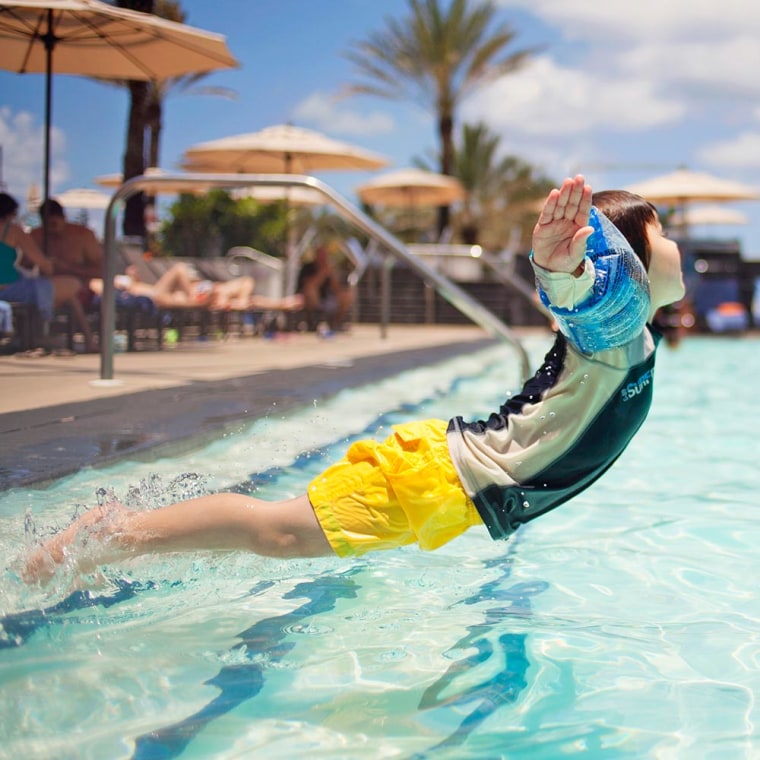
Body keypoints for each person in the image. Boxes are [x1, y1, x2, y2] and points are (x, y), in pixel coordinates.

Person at [24, 175, 685, 583]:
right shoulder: (615, 334)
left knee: (278, 535)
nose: (678, 246)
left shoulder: (639, 339)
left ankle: (120, 534)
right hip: (440, 476)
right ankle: (109, 533)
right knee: (274, 531)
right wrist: (557, 263)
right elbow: (585, 300)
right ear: (629, 261)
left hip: (450, 485)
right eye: (664, 233)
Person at [0, 192, 84, 353]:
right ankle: (40, 334)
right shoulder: (13, 231)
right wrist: (53, 264)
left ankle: (34, 334)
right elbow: (43, 264)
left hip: (10, 289)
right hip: (10, 289)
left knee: (55, 291)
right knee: (72, 285)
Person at [30, 199, 102, 352]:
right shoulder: (36, 236)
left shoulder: (83, 235)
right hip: (45, 287)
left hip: (79, 288)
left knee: (71, 293)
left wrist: (69, 267)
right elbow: (23, 265)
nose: (52, 230)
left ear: (64, 218)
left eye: (54, 224)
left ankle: (87, 340)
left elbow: (102, 271)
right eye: (47, 225)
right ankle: (38, 338)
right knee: (53, 293)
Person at [90, 262, 304, 312]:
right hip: (165, 297)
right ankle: (282, 304)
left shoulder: (130, 286)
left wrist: (131, 279)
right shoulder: (118, 287)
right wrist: (127, 282)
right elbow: (95, 284)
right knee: (180, 268)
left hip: (175, 295)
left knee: (244, 290)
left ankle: (282, 303)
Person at [296, 245, 354, 331]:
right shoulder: (308, 267)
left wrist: (331, 275)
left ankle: (336, 323)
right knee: (311, 291)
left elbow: (337, 289)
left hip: (326, 298)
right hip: (308, 299)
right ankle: (314, 321)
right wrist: (322, 273)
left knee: (347, 296)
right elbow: (309, 286)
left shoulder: (328, 268)